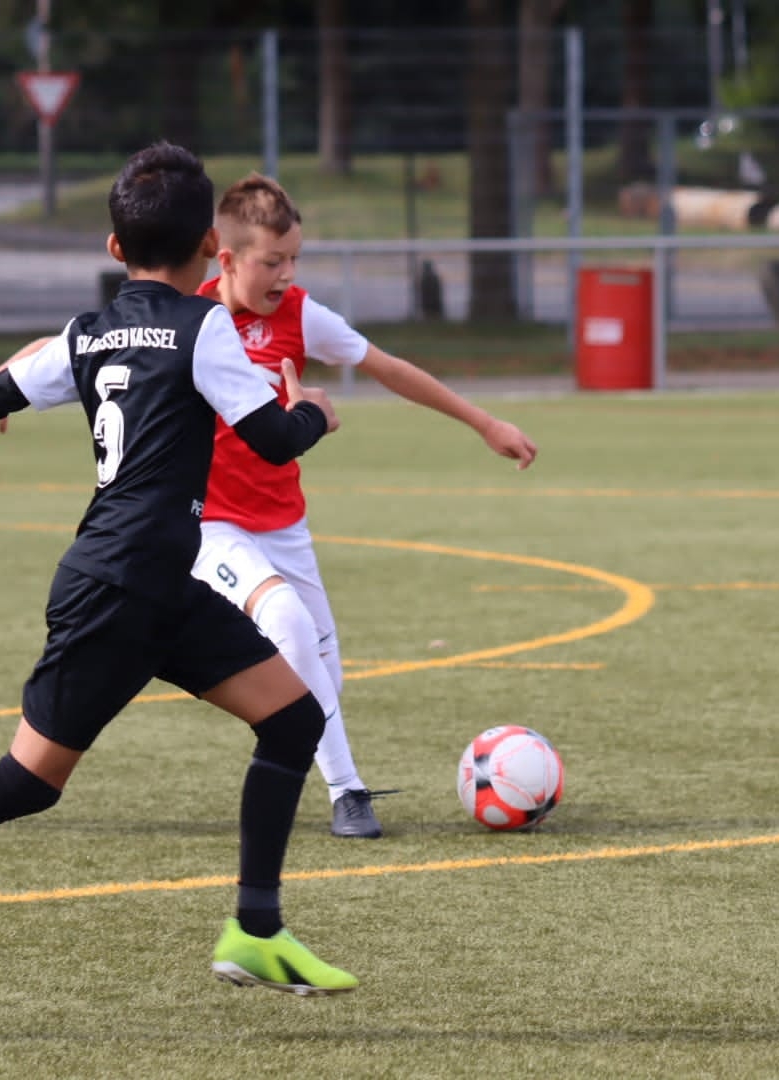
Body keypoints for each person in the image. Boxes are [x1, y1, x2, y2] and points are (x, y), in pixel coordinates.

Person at [0, 142, 358, 1013]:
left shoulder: (86, 334)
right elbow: (274, 441)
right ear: (211, 248)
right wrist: (312, 410)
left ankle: (256, 928)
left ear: (114, 247)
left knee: (293, 719)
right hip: (120, 591)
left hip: (158, 587)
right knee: (27, 782)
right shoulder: (204, 326)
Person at [190, 173, 539, 839]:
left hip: (283, 523)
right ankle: (347, 793)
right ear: (227, 258)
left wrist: (484, 423)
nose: (288, 275)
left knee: (324, 672)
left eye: (295, 259)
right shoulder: (192, 317)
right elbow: (77, 345)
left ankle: (303, 757)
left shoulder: (300, 316)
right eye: (272, 261)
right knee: (288, 626)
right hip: (212, 523)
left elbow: (387, 367)